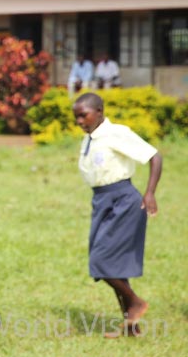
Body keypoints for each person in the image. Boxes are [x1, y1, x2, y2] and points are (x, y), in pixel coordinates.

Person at [72, 93, 161, 338]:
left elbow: (155, 157)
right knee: (115, 266)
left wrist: (150, 192)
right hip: (102, 201)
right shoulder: (89, 139)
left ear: (99, 111)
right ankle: (132, 328)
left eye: (84, 115)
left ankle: (136, 302)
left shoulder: (116, 133)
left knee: (100, 260)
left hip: (123, 201)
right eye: (76, 117)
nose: (80, 121)